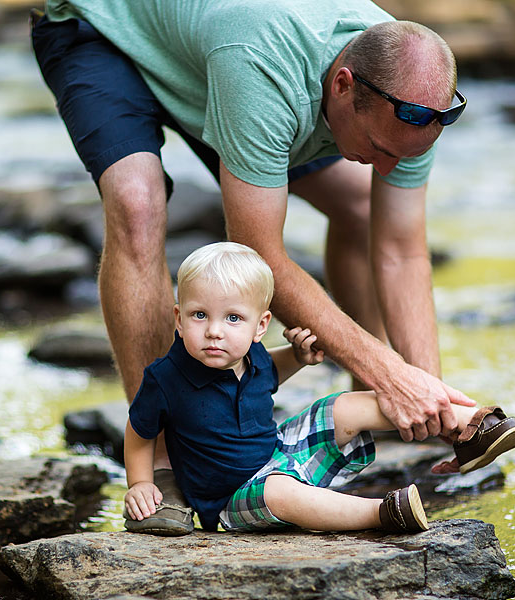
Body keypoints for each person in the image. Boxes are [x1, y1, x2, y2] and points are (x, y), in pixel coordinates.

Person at [32, 0, 474, 533]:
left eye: (401, 156)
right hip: (102, 28)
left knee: (359, 203)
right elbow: (258, 253)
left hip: (211, 58)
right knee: (138, 204)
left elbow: (402, 250)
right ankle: (166, 470)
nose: (387, 167)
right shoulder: (266, 64)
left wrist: (432, 397)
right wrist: (392, 368)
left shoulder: (414, 100)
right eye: (379, 148)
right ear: (342, 85)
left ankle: (380, 400)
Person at [123, 243, 515, 534]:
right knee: (282, 492)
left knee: (343, 406)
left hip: (279, 452)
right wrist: (142, 483)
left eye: (232, 318)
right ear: (178, 318)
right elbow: (139, 432)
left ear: (260, 326)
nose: (213, 331)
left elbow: (269, 375)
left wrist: (296, 357)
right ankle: (381, 513)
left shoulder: (254, 355)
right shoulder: (167, 377)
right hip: (234, 500)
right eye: (199, 315)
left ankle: (467, 426)